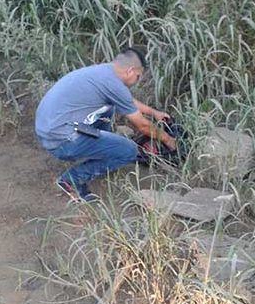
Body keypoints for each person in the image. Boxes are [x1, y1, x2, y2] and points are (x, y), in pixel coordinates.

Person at [35, 47, 176, 202]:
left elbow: (125, 100)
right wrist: (167, 139)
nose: (137, 81)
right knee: (129, 151)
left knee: (108, 109)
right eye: (138, 77)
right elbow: (142, 126)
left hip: (48, 128)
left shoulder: (104, 73)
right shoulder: (113, 84)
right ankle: (71, 180)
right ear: (130, 71)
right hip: (61, 141)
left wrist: (154, 113)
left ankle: (103, 149)